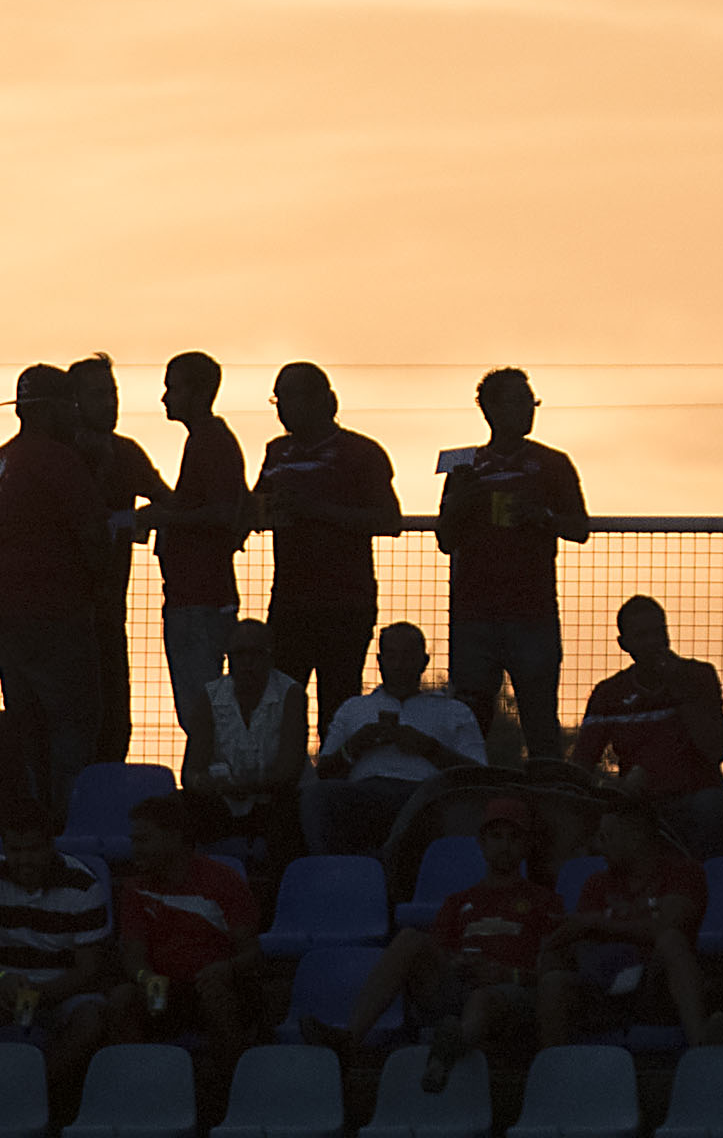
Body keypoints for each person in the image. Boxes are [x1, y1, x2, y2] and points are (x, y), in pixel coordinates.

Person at [307, 793, 567, 1090]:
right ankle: (350, 1039)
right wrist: (458, 964)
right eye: (496, 837)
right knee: (409, 939)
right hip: (460, 988)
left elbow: (552, 973)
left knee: (484, 1000)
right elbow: (441, 953)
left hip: (511, 993)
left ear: (526, 845)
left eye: (513, 838)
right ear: (481, 844)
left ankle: (448, 1049)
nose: (504, 846)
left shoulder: (545, 901)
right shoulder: (458, 902)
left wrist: (507, 974)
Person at [0, 364, 115, 815]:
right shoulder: (59, 461)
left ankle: (30, 821)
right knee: (73, 723)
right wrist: (101, 587)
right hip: (51, 611)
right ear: (55, 409)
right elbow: (94, 533)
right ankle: (69, 823)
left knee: (27, 724)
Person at [435, 368, 591, 760]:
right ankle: (471, 801)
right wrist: (460, 504)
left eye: (530, 401)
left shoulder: (552, 463)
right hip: (474, 614)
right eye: (519, 401)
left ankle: (547, 801)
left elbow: (579, 527)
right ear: (490, 409)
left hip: (531, 611)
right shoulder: (464, 466)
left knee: (539, 719)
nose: (528, 410)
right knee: (469, 722)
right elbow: (444, 539)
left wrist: (542, 517)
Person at [0, 802, 114, 1113]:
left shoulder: (84, 886)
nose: (24, 859)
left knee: (91, 1018)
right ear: (4, 847)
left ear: (50, 845)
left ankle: (29, 1093)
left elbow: (88, 970)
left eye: (34, 849)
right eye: (15, 850)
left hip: (57, 994)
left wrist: (43, 994)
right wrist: (0, 979)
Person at [253, 362, 402, 749]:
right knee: (281, 707)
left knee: (338, 709)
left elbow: (389, 520)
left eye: (290, 396)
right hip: (289, 601)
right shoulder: (277, 452)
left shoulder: (361, 452)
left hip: (345, 602)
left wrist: (315, 510)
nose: (282, 407)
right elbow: (258, 506)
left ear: (326, 400)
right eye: (278, 397)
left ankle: (335, 787)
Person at [106, 794, 267, 1092]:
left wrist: (225, 969)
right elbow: (133, 956)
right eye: (134, 840)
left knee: (215, 993)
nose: (135, 850)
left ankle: (236, 1093)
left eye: (144, 840)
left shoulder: (224, 881)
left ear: (174, 837)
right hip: (167, 992)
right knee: (122, 999)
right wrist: (146, 978)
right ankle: (142, 1092)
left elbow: (251, 953)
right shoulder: (134, 889)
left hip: (222, 985)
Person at [541, 794, 723, 1047]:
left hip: (655, 990)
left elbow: (667, 926)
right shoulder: (596, 883)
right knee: (554, 983)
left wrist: (596, 922)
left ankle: (701, 1044)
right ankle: (552, 1073)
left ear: (636, 836)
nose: (598, 846)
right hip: (604, 987)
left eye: (607, 837)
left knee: (671, 941)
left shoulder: (684, 874)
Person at [142, 350, 253, 757]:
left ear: (199, 390)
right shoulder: (208, 440)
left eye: (173, 387)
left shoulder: (209, 441)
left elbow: (224, 513)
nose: (165, 397)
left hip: (198, 599)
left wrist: (166, 515)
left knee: (200, 709)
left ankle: (216, 785)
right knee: (204, 706)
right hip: (201, 596)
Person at [570, 596, 723, 859]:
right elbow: (582, 764)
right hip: (637, 805)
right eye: (642, 635)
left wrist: (680, 690)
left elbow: (715, 749)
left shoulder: (698, 677)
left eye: (659, 632)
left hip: (694, 797)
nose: (653, 643)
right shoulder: (609, 694)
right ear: (625, 644)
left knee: (710, 807)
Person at [306, 623, 487, 859]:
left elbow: (478, 775)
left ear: (424, 662)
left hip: (426, 798)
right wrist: (355, 746)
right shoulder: (354, 708)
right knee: (316, 796)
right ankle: (336, 871)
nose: (399, 665)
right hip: (365, 796)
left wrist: (429, 748)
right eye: (392, 656)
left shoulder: (454, 711)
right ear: (380, 661)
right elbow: (324, 773)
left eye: (408, 656)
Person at [70, 354, 171, 769]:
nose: (111, 404)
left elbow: (167, 502)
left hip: (109, 612)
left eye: (113, 394)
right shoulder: (57, 454)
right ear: (73, 402)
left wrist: (139, 519)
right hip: (61, 615)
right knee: (68, 722)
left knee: (114, 723)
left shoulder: (125, 453)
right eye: (99, 394)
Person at [182, 617, 307, 864]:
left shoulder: (291, 694)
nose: (247, 663)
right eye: (240, 654)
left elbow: (289, 773)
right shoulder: (210, 695)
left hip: (275, 801)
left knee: (290, 814)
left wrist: (246, 787)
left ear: (271, 658)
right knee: (178, 809)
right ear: (229, 657)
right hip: (223, 800)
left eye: (256, 654)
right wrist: (204, 783)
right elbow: (191, 772)